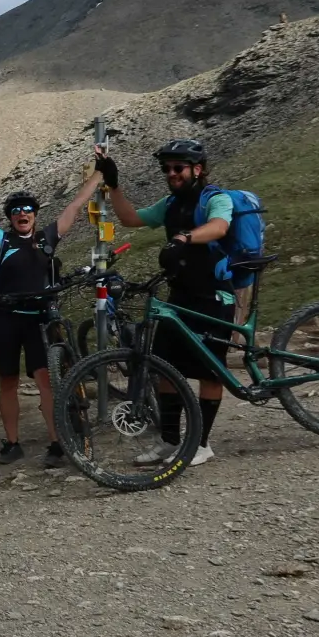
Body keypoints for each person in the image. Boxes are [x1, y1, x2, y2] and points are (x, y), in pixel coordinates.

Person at [0, 149, 100, 465]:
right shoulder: (1, 240)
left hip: (40, 320)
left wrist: (100, 172)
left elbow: (75, 205)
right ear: (11, 216)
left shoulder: (47, 239)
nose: (22, 213)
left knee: (45, 380)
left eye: (28, 209)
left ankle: (57, 443)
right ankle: (12, 442)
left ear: (35, 214)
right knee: (8, 382)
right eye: (16, 210)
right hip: (6, 319)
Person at [99, 139, 231, 465]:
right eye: (167, 168)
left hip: (213, 295)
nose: (171, 173)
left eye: (178, 168)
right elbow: (130, 218)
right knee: (165, 369)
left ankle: (201, 444)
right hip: (180, 296)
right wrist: (114, 184)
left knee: (210, 372)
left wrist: (185, 237)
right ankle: (170, 440)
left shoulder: (215, 198)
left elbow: (219, 226)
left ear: (196, 169)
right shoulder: (170, 204)